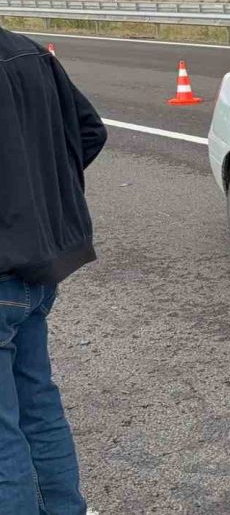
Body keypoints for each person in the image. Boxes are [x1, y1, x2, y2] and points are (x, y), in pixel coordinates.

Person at [0, 28, 106, 515]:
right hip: (37, 268)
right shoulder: (27, 51)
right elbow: (89, 131)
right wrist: (40, 205)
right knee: (38, 409)